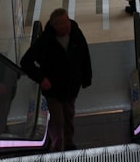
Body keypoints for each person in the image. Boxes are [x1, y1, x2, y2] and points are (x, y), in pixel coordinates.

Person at [20, 8, 92, 151]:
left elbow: (84, 56)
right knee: (58, 120)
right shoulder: (45, 41)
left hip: (71, 86)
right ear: (54, 26)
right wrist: (41, 79)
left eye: (67, 22)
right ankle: (57, 146)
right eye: (62, 24)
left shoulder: (76, 34)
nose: (66, 26)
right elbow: (26, 62)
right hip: (53, 89)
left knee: (69, 114)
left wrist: (86, 78)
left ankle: (69, 143)